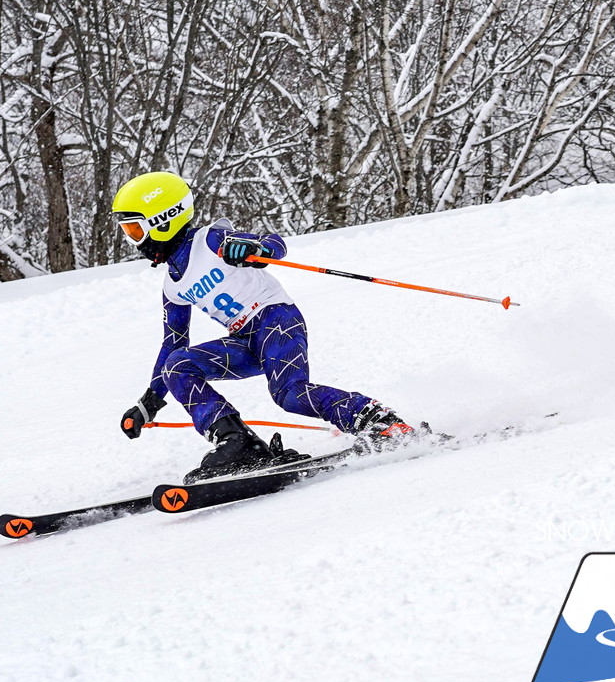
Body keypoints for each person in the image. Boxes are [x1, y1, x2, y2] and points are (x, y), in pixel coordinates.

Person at [113, 171, 415, 482]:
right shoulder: (172, 285)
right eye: (128, 232)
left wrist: (253, 252)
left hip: (276, 319)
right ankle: (237, 443)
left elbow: (275, 244)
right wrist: (148, 403)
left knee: (289, 394)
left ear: (164, 220)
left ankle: (377, 421)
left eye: (136, 230)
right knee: (177, 365)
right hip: (244, 339)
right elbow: (173, 343)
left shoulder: (211, 240)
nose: (135, 242)